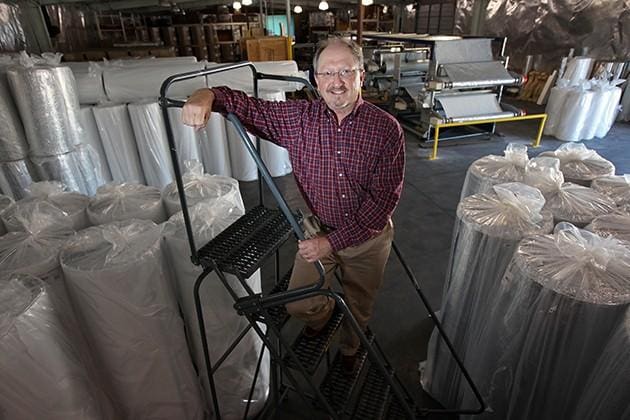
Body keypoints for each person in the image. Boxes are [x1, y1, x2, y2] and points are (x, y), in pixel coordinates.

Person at [182, 36, 405, 373]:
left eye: (346, 71)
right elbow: (244, 105)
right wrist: (206, 95)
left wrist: (331, 243)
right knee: (301, 303)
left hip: (366, 238)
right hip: (318, 226)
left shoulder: (386, 129)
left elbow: (383, 200)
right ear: (316, 80)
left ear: (361, 75)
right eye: (327, 73)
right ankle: (321, 321)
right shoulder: (299, 118)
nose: (337, 82)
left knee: (360, 302)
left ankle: (351, 347)